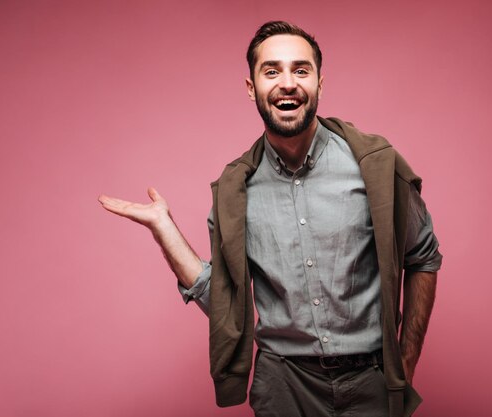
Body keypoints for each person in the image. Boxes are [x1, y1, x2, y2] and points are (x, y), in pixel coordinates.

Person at [99, 21, 442, 417]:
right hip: (284, 388)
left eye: (301, 70)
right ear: (252, 89)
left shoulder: (376, 167)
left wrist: (406, 366)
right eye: (272, 71)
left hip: (371, 382)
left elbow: (423, 258)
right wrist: (164, 228)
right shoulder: (235, 192)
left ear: (319, 83)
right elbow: (229, 306)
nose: (288, 83)